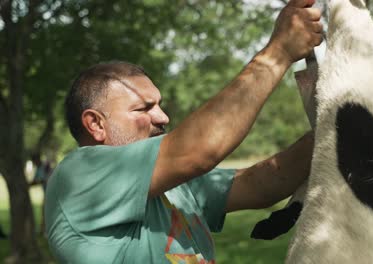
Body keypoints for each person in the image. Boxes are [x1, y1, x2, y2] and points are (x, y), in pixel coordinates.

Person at [45, 0, 323, 262]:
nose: (163, 117)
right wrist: (278, 54)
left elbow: (260, 184)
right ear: (95, 124)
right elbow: (200, 151)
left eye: (160, 105)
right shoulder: (79, 176)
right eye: (144, 109)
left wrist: (334, 126)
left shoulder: (172, 184)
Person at [30, 153, 52, 236]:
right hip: (46, 193)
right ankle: (42, 230)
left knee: (47, 212)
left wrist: (38, 182)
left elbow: (46, 179)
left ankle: (45, 231)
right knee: (44, 212)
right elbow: (35, 181)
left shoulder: (46, 167)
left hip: (51, 192)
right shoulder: (38, 169)